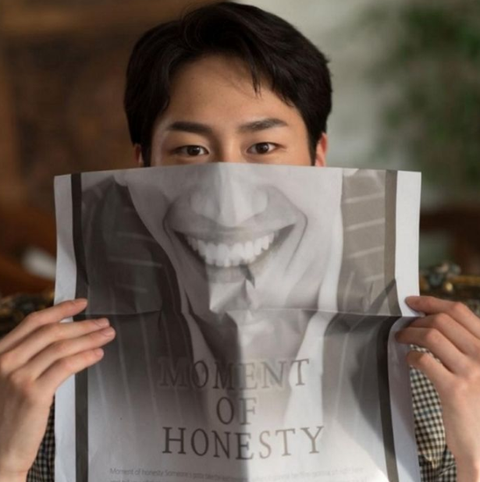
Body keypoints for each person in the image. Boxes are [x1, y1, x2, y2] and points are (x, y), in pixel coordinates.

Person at [0, 2, 479, 482]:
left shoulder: (441, 367)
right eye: (191, 150)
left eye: (263, 147)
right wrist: (7, 463)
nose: (228, 202)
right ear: (140, 169)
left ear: (318, 159)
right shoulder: (33, 381)